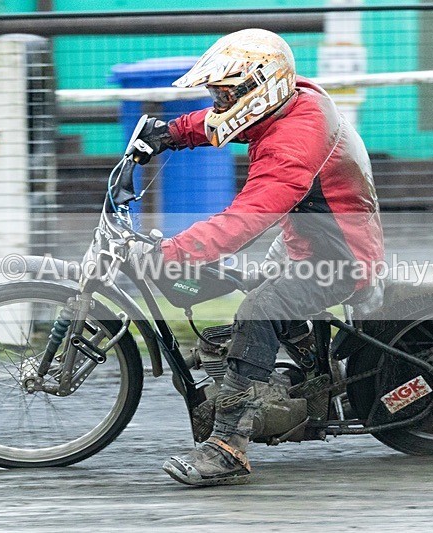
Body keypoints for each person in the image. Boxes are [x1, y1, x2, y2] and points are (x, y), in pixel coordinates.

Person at [131, 28, 384, 486]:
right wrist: (169, 133)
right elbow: (224, 120)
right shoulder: (288, 99)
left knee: (259, 307)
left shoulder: (294, 142)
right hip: (306, 238)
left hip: (339, 256)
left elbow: (247, 217)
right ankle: (313, 377)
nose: (219, 102)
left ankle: (228, 445)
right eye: (217, 94)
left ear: (260, 86)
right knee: (241, 302)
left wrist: (175, 252)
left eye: (224, 93)